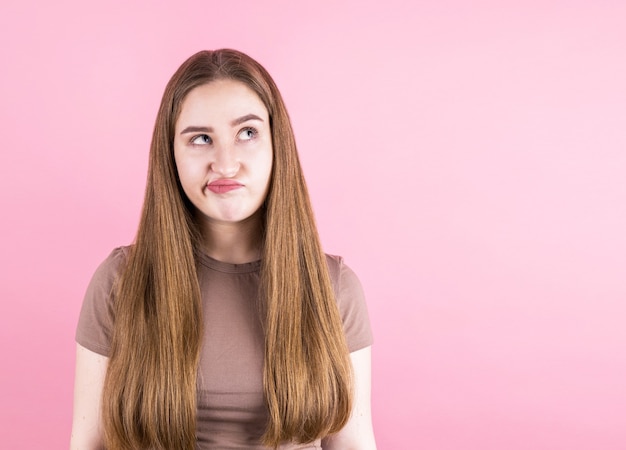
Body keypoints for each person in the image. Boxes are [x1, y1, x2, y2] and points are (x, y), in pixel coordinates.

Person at [70, 49, 376, 450]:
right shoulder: (120, 282)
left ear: (275, 144)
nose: (226, 164)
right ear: (171, 156)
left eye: (246, 133)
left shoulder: (333, 288)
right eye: (200, 139)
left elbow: (353, 443)